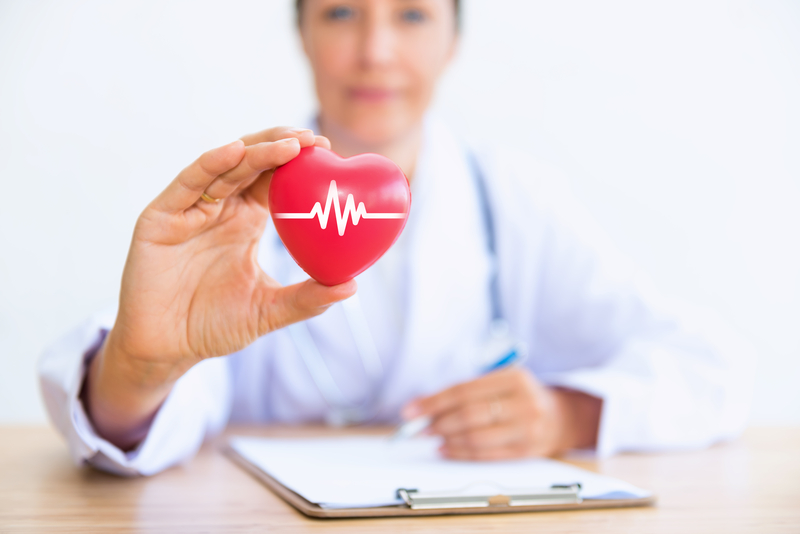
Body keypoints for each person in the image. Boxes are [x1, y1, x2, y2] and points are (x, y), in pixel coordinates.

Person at [39, 0, 752, 476]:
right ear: (302, 31)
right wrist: (139, 366)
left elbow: (711, 372)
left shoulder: (512, 200)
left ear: (453, 39)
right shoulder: (231, 211)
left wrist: (567, 413)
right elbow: (159, 414)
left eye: (411, 14)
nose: (375, 51)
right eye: (342, 11)